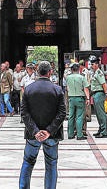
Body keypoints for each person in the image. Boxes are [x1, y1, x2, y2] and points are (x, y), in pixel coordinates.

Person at [20, 61, 66, 189]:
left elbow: (24, 113)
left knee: (28, 162)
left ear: (37, 72)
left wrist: (35, 131)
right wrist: (49, 131)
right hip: (52, 135)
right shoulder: (57, 89)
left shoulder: (29, 89)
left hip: (32, 135)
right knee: (51, 164)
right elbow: (62, 113)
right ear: (50, 72)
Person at [64, 61, 89, 140]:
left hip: (71, 98)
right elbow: (86, 88)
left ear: (71, 69)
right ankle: (79, 135)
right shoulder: (82, 77)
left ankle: (70, 134)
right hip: (79, 98)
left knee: (71, 116)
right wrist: (88, 98)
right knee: (79, 116)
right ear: (78, 69)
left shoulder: (68, 78)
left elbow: (67, 88)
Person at [88, 56, 107, 138]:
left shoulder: (99, 73)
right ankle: (101, 129)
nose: (91, 66)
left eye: (92, 64)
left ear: (96, 64)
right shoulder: (95, 72)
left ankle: (104, 132)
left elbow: (104, 84)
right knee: (98, 113)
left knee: (101, 113)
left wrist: (106, 92)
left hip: (99, 94)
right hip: (95, 94)